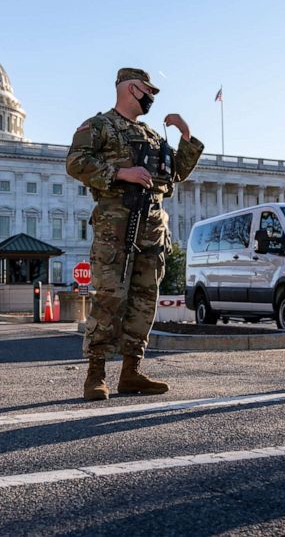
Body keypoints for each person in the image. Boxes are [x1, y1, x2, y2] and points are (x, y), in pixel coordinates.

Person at [66, 68, 203, 401]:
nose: (152, 97)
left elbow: (175, 174)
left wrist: (187, 138)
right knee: (110, 297)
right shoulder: (100, 126)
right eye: (147, 90)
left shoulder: (153, 135)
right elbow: (75, 162)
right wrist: (120, 173)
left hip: (152, 228)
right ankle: (95, 374)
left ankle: (131, 371)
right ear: (130, 88)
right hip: (115, 227)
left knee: (145, 300)